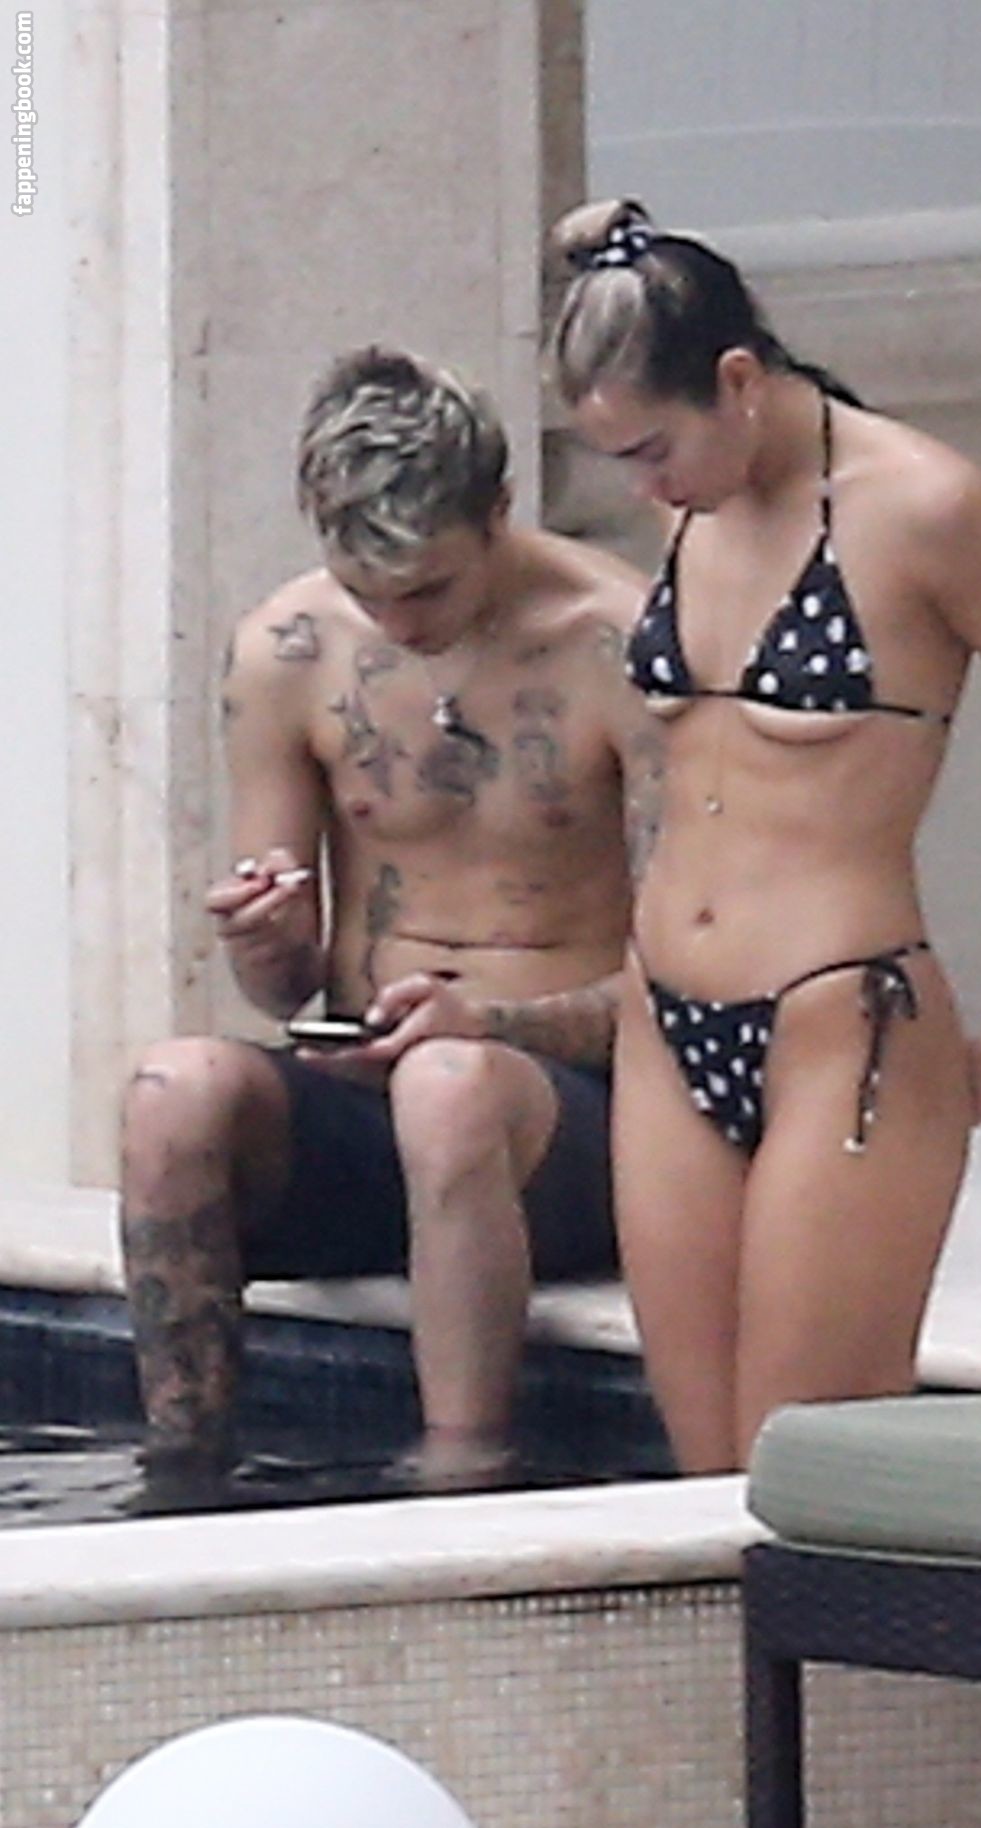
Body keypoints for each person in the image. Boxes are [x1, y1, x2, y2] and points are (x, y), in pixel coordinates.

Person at [550, 198, 981, 1474]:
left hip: (846, 1019)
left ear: (738, 381)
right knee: (695, 1487)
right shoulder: (691, 504)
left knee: (802, 1473)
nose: (642, 487)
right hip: (665, 1016)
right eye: (617, 459)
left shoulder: (928, 508)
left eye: (653, 448)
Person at [119, 346, 659, 1489]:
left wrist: (489, 1028)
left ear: (499, 511)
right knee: (170, 1093)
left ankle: (458, 1478)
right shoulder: (289, 651)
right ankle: (180, 1474)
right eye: (369, 594)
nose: (398, 623)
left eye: (429, 592)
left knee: (449, 1087)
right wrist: (270, 942)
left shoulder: (620, 639)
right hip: (374, 1082)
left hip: (574, 1114)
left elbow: (694, 974)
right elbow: (283, 987)